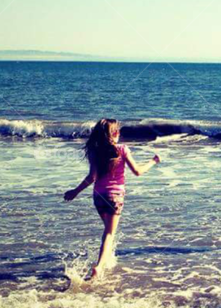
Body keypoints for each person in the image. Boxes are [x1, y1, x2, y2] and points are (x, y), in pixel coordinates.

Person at [63, 118, 160, 278]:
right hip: (115, 197)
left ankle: (106, 258)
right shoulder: (122, 149)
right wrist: (153, 161)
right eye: (118, 130)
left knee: (107, 232)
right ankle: (99, 267)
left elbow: (91, 177)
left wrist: (75, 191)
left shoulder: (95, 152)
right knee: (109, 233)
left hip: (98, 197)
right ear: (114, 133)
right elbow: (138, 171)